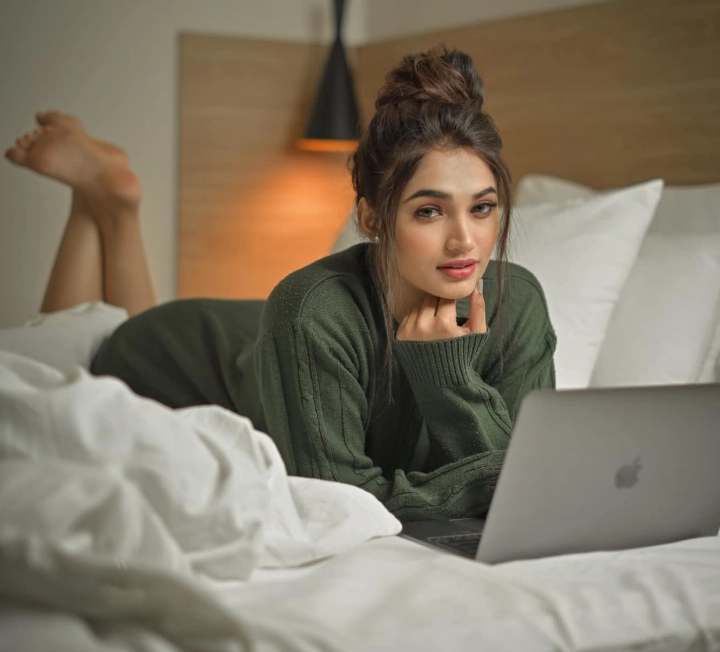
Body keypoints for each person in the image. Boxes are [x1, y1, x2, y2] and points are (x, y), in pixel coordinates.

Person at [5, 47, 556, 521]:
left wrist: (450, 379)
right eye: (430, 212)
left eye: (482, 208)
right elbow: (338, 502)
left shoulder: (520, 301)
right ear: (370, 219)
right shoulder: (310, 313)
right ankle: (107, 206)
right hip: (178, 357)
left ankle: (103, 199)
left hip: (264, 344)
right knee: (76, 345)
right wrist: (460, 405)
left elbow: (525, 490)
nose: (466, 242)